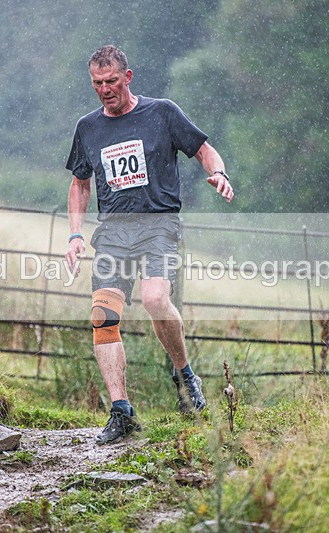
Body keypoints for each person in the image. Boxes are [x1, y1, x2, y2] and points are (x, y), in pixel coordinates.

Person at [65, 45, 234, 445]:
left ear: (127, 77)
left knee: (156, 298)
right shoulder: (88, 128)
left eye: (111, 81)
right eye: (97, 83)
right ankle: (121, 411)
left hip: (159, 224)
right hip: (114, 231)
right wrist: (74, 234)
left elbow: (204, 150)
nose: (105, 89)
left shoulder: (162, 112)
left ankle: (184, 376)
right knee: (103, 316)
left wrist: (220, 173)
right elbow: (80, 183)